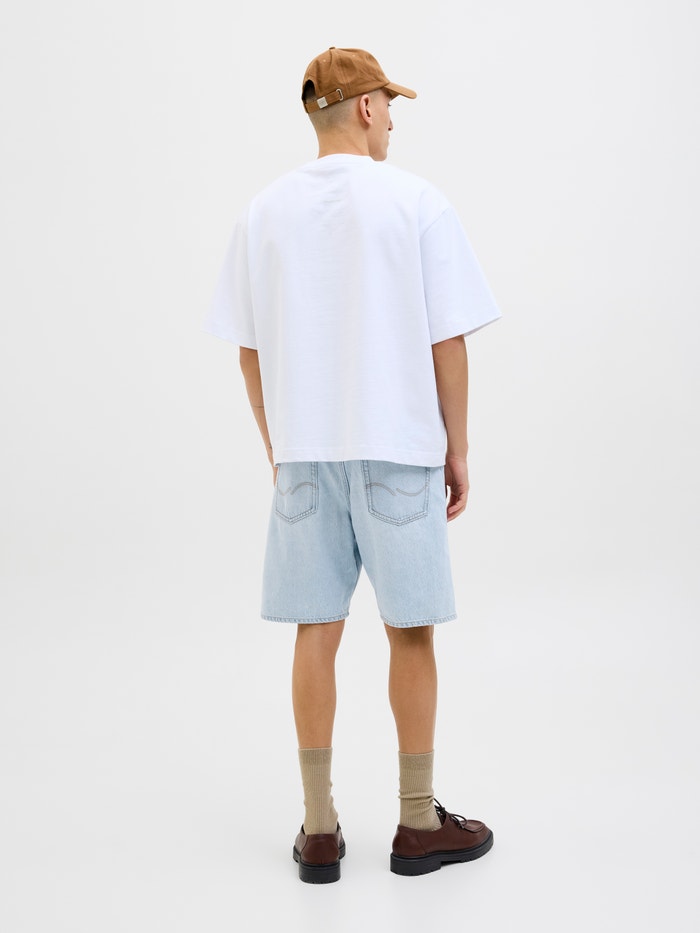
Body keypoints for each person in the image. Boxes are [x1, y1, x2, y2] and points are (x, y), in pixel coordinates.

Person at [203, 46, 501, 883]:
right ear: (365, 107)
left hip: (306, 454)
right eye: (390, 106)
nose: (394, 121)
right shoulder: (416, 202)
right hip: (398, 448)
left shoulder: (262, 213)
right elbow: (448, 340)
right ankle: (417, 822)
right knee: (411, 632)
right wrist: (457, 446)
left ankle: (319, 826)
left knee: (316, 630)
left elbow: (248, 351)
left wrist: (281, 448)